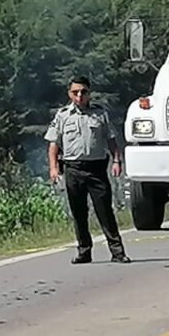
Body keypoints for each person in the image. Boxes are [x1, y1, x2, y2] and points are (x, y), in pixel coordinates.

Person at [45, 75, 131, 264]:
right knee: (79, 212)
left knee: (105, 212)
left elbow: (111, 140)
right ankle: (84, 251)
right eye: (75, 92)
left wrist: (117, 161)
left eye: (83, 92)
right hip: (73, 169)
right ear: (69, 94)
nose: (79, 95)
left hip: (96, 169)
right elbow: (53, 144)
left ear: (89, 93)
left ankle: (117, 252)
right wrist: (53, 168)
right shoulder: (62, 116)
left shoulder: (99, 114)